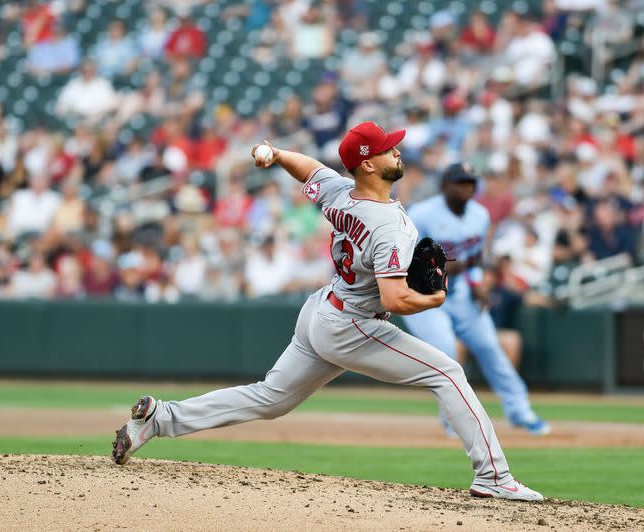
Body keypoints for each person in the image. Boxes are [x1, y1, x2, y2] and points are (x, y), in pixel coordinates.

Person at [111, 122, 544, 501]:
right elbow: (395, 300)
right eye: (387, 148)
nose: (397, 150)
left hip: (323, 311)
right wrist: (435, 298)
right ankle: (494, 477)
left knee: (270, 398)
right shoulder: (388, 225)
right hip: (353, 324)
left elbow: (309, 169)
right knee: (447, 372)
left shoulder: (341, 192)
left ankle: (160, 418)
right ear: (368, 165)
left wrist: (278, 154)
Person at [402, 163, 550, 436]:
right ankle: (454, 420)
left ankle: (520, 411)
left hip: (460, 296)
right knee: (446, 351)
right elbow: (405, 259)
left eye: (470, 182)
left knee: (491, 349)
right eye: (460, 182)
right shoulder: (422, 214)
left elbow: (475, 258)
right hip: (423, 295)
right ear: (445, 185)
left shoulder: (479, 215)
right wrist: (444, 267)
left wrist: (476, 285)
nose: (466, 187)